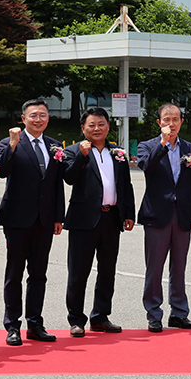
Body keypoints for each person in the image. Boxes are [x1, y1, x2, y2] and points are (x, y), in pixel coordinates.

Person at [61, 107, 136, 337]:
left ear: (108, 126)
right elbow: (69, 178)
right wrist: (83, 157)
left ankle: (100, 317)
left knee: (107, 271)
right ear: (83, 128)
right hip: (83, 221)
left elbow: (126, 185)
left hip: (111, 218)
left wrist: (129, 213)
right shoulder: (73, 151)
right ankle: (76, 320)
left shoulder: (118, 153)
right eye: (91, 124)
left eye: (101, 123)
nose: (96, 128)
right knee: (78, 272)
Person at [0, 99, 66, 345]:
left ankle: (35, 324)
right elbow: (2, 170)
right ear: (23, 118)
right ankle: (12, 325)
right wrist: (13, 145)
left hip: (45, 220)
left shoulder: (55, 145)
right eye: (33, 115)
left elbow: (57, 183)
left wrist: (59, 216)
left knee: (38, 274)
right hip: (17, 218)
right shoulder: (10, 142)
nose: (39, 119)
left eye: (43, 115)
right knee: (14, 273)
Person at [137, 102, 191, 333]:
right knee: (154, 268)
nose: (171, 124)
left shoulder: (190, 149)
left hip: (183, 215)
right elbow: (146, 166)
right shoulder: (148, 146)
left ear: (181, 122)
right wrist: (163, 144)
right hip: (157, 215)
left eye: (175, 119)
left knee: (179, 267)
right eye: (166, 120)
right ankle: (153, 313)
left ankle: (179, 312)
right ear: (159, 123)